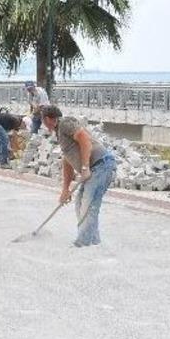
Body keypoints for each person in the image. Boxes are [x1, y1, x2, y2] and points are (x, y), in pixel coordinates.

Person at [40, 105, 116, 247]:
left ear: (48, 119)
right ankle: (93, 241)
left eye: (42, 120)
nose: (43, 123)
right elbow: (67, 161)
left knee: (88, 204)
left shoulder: (65, 123)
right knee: (80, 204)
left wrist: (85, 167)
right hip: (93, 169)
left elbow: (84, 139)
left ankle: (83, 242)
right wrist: (65, 189)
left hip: (101, 165)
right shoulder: (60, 133)